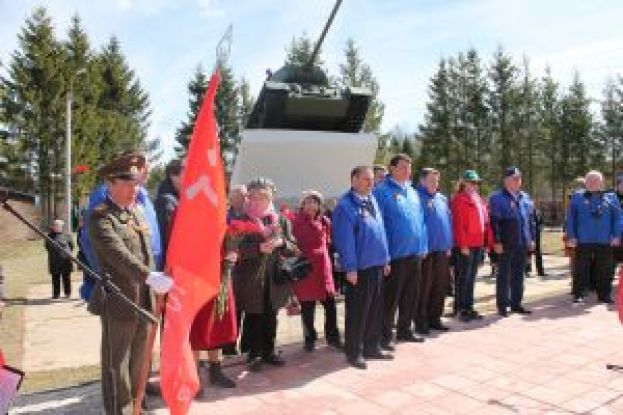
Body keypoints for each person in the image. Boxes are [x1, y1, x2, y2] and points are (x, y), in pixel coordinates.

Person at [88, 153, 173, 414]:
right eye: (128, 183)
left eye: (137, 183)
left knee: (139, 362)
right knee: (118, 364)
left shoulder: (137, 213)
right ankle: (120, 411)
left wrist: (157, 278)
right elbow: (117, 255)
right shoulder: (100, 216)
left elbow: (148, 251)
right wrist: (150, 276)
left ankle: (137, 406)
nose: (134, 188)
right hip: (119, 300)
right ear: (110, 183)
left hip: (145, 300)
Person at [232, 177, 298, 372]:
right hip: (250, 279)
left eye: (264, 196)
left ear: (271, 197)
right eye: (254, 196)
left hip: (275, 279)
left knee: (271, 316)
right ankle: (253, 354)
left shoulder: (281, 220)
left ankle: (269, 352)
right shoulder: (240, 220)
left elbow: (294, 248)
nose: (259, 200)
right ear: (248, 197)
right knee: (254, 317)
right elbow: (235, 250)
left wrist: (282, 244)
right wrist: (259, 247)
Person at [79, 151, 163, 300]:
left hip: (149, 283)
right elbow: (91, 241)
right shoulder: (104, 196)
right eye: (142, 166)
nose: (147, 169)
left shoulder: (143, 197)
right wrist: (106, 276)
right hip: (122, 285)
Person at [333, 166, 393, 369]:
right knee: (358, 311)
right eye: (366, 179)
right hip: (359, 269)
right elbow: (345, 241)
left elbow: (380, 232)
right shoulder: (345, 206)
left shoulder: (372, 200)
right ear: (354, 180)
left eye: (372, 179)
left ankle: (371, 347)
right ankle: (354, 352)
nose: (371, 183)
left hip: (376, 264)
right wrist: (350, 268)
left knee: (375, 309)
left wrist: (385, 259)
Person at [373, 154, 427, 347]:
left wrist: (423, 246)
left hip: (414, 254)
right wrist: (383, 256)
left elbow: (421, 221)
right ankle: (385, 336)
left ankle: (405, 330)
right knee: (390, 299)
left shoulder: (412, 192)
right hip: (394, 256)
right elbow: (377, 226)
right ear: (392, 169)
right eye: (403, 167)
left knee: (410, 296)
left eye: (409, 167)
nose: (407, 170)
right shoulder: (381, 192)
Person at [291, 190, 342, 352]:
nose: (312, 205)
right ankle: (309, 338)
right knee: (307, 307)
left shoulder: (325, 221)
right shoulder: (295, 222)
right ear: (302, 205)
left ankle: (333, 337)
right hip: (306, 270)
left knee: (331, 305)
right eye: (308, 202)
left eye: (315, 201)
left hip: (324, 270)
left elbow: (329, 243)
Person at [566, 170, 621, 304]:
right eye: (589, 181)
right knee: (581, 268)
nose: (592, 183)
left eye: (595, 181)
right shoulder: (577, 197)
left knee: (605, 269)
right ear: (585, 183)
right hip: (583, 239)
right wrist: (571, 236)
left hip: (604, 239)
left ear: (601, 183)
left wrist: (616, 235)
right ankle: (579, 294)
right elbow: (570, 218)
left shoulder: (611, 197)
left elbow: (618, 217)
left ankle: (604, 295)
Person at [489, 166, 536, 317]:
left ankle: (516, 304)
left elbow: (530, 221)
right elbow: (494, 222)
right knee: (504, 276)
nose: (517, 181)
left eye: (519, 178)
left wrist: (532, 239)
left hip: (522, 243)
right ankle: (503, 306)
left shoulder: (525, 197)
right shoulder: (497, 198)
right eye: (514, 178)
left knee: (519, 275)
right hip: (506, 244)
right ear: (506, 181)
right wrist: (497, 241)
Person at [416, 168, 453, 332]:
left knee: (440, 286)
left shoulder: (442, 198)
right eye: (432, 180)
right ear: (422, 181)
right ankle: (420, 321)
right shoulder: (416, 197)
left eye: (437, 181)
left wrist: (449, 245)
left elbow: (448, 222)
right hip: (425, 251)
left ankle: (435, 318)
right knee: (424, 288)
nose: (435, 184)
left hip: (442, 250)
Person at [451, 170, 490, 322]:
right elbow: (458, 225)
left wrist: (485, 243)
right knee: (463, 278)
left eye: (476, 182)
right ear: (464, 183)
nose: (474, 185)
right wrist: (463, 245)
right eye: (471, 182)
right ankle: (460, 309)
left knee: (472, 278)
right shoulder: (459, 200)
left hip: (477, 243)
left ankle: (469, 307)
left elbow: (484, 222)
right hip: (466, 244)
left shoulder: (479, 199)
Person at [45, 219, 74, 299]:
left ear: (61, 226)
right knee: (55, 278)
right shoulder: (49, 236)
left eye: (58, 225)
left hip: (65, 261)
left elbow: (71, 247)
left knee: (66, 277)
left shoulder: (67, 235)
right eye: (55, 225)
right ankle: (56, 294)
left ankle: (67, 293)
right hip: (54, 261)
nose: (56, 227)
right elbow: (47, 247)